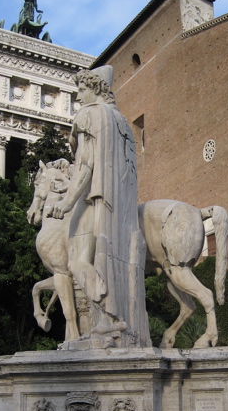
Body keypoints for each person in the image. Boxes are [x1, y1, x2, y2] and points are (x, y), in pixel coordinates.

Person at [45, 66, 150, 347]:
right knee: (111, 258)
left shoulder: (89, 115)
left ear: (96, 89)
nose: (78, 96)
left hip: (92, 198)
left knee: (76, 261)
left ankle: (108, 318)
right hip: (121, 208)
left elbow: (86, 164)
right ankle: (116, 323)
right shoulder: (122, 122)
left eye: (81, 89)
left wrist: (66, 202)